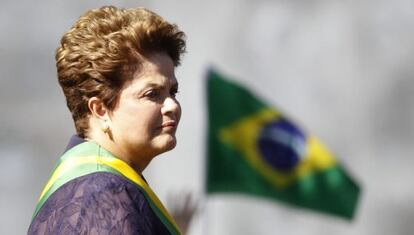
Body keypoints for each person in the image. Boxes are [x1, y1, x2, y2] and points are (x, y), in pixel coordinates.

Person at [28, 6, 186, 235]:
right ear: (100, 109)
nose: (172, 105)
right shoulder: (104, 196)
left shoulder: (90, 188)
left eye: (173, 92)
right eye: (152, 94)